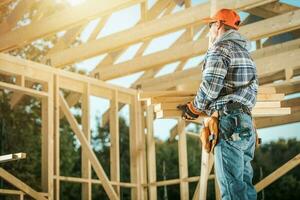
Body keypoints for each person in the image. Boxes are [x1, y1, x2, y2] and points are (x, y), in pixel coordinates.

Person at [178, 9, 258, 200]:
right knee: (245, 188)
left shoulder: (220, 49)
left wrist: (194, 108)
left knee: (232, 192)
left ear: (219, 25)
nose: (210, 31)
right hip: (245, 124)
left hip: (229, 122)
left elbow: (211, 86)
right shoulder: (246, 54)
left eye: (210, 25)